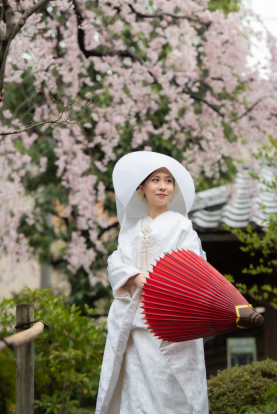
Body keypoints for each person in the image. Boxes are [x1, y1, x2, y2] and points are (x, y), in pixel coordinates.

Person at [95, 151, 209, 414]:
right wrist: (135, 277)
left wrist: (159, 282)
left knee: (172, 396)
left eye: (168, 181)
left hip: (170, 325)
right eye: (155, 180)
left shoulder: (183, 228)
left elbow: (194, 269)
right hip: (135, 326)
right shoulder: (130, 230)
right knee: (136, 396)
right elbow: (115, 261)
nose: (163, 186)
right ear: (142, 187)